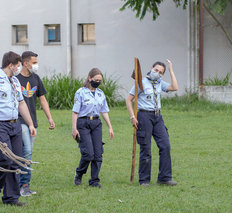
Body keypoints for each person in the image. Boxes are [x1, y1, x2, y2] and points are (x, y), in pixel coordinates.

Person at [0, 51, 36, 206]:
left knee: (16, 161)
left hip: (15, 124)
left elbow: (22, 103)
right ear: (11, 65)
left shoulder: (15, 82)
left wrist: (30, 124)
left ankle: (11, 198)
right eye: (18, 66)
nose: (19, 68)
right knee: (4, 160)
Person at [126, 59, 178, 187]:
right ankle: (144, 180)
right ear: (151, 68)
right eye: (156, 70)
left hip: (157, 116)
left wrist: (171, 71)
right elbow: (129, 100)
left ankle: (164, 178)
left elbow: (174, 87)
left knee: (165, 145)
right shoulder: (141, 82)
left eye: (161, 72)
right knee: (146, 148)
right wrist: (132, 116)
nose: (157, 73)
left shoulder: (160, 83)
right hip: (144, 116)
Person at [16, 51, 55, 197]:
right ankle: (23, 185)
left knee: (26, 152)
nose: (36, 65)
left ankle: (21, 183)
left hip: (33, 121)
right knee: (27, 151)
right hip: (20, 121)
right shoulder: (15, 79)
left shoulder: (36, 78)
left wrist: (49, 118)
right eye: (33, 62)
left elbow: (42, 100)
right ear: (25, 63)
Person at [72, 68, 114, 188]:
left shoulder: (101, 93)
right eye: (96, 80)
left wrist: (110, 127)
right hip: (83, 123)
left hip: (96, 124)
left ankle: (94, 181)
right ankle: (79, 173)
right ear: (90, 78)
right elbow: (75, 112)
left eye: (100, 81)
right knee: (88, 154)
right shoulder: (80, 92)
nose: (98, 82)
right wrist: (74, 129)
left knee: (98, 154)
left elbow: (104, 111)